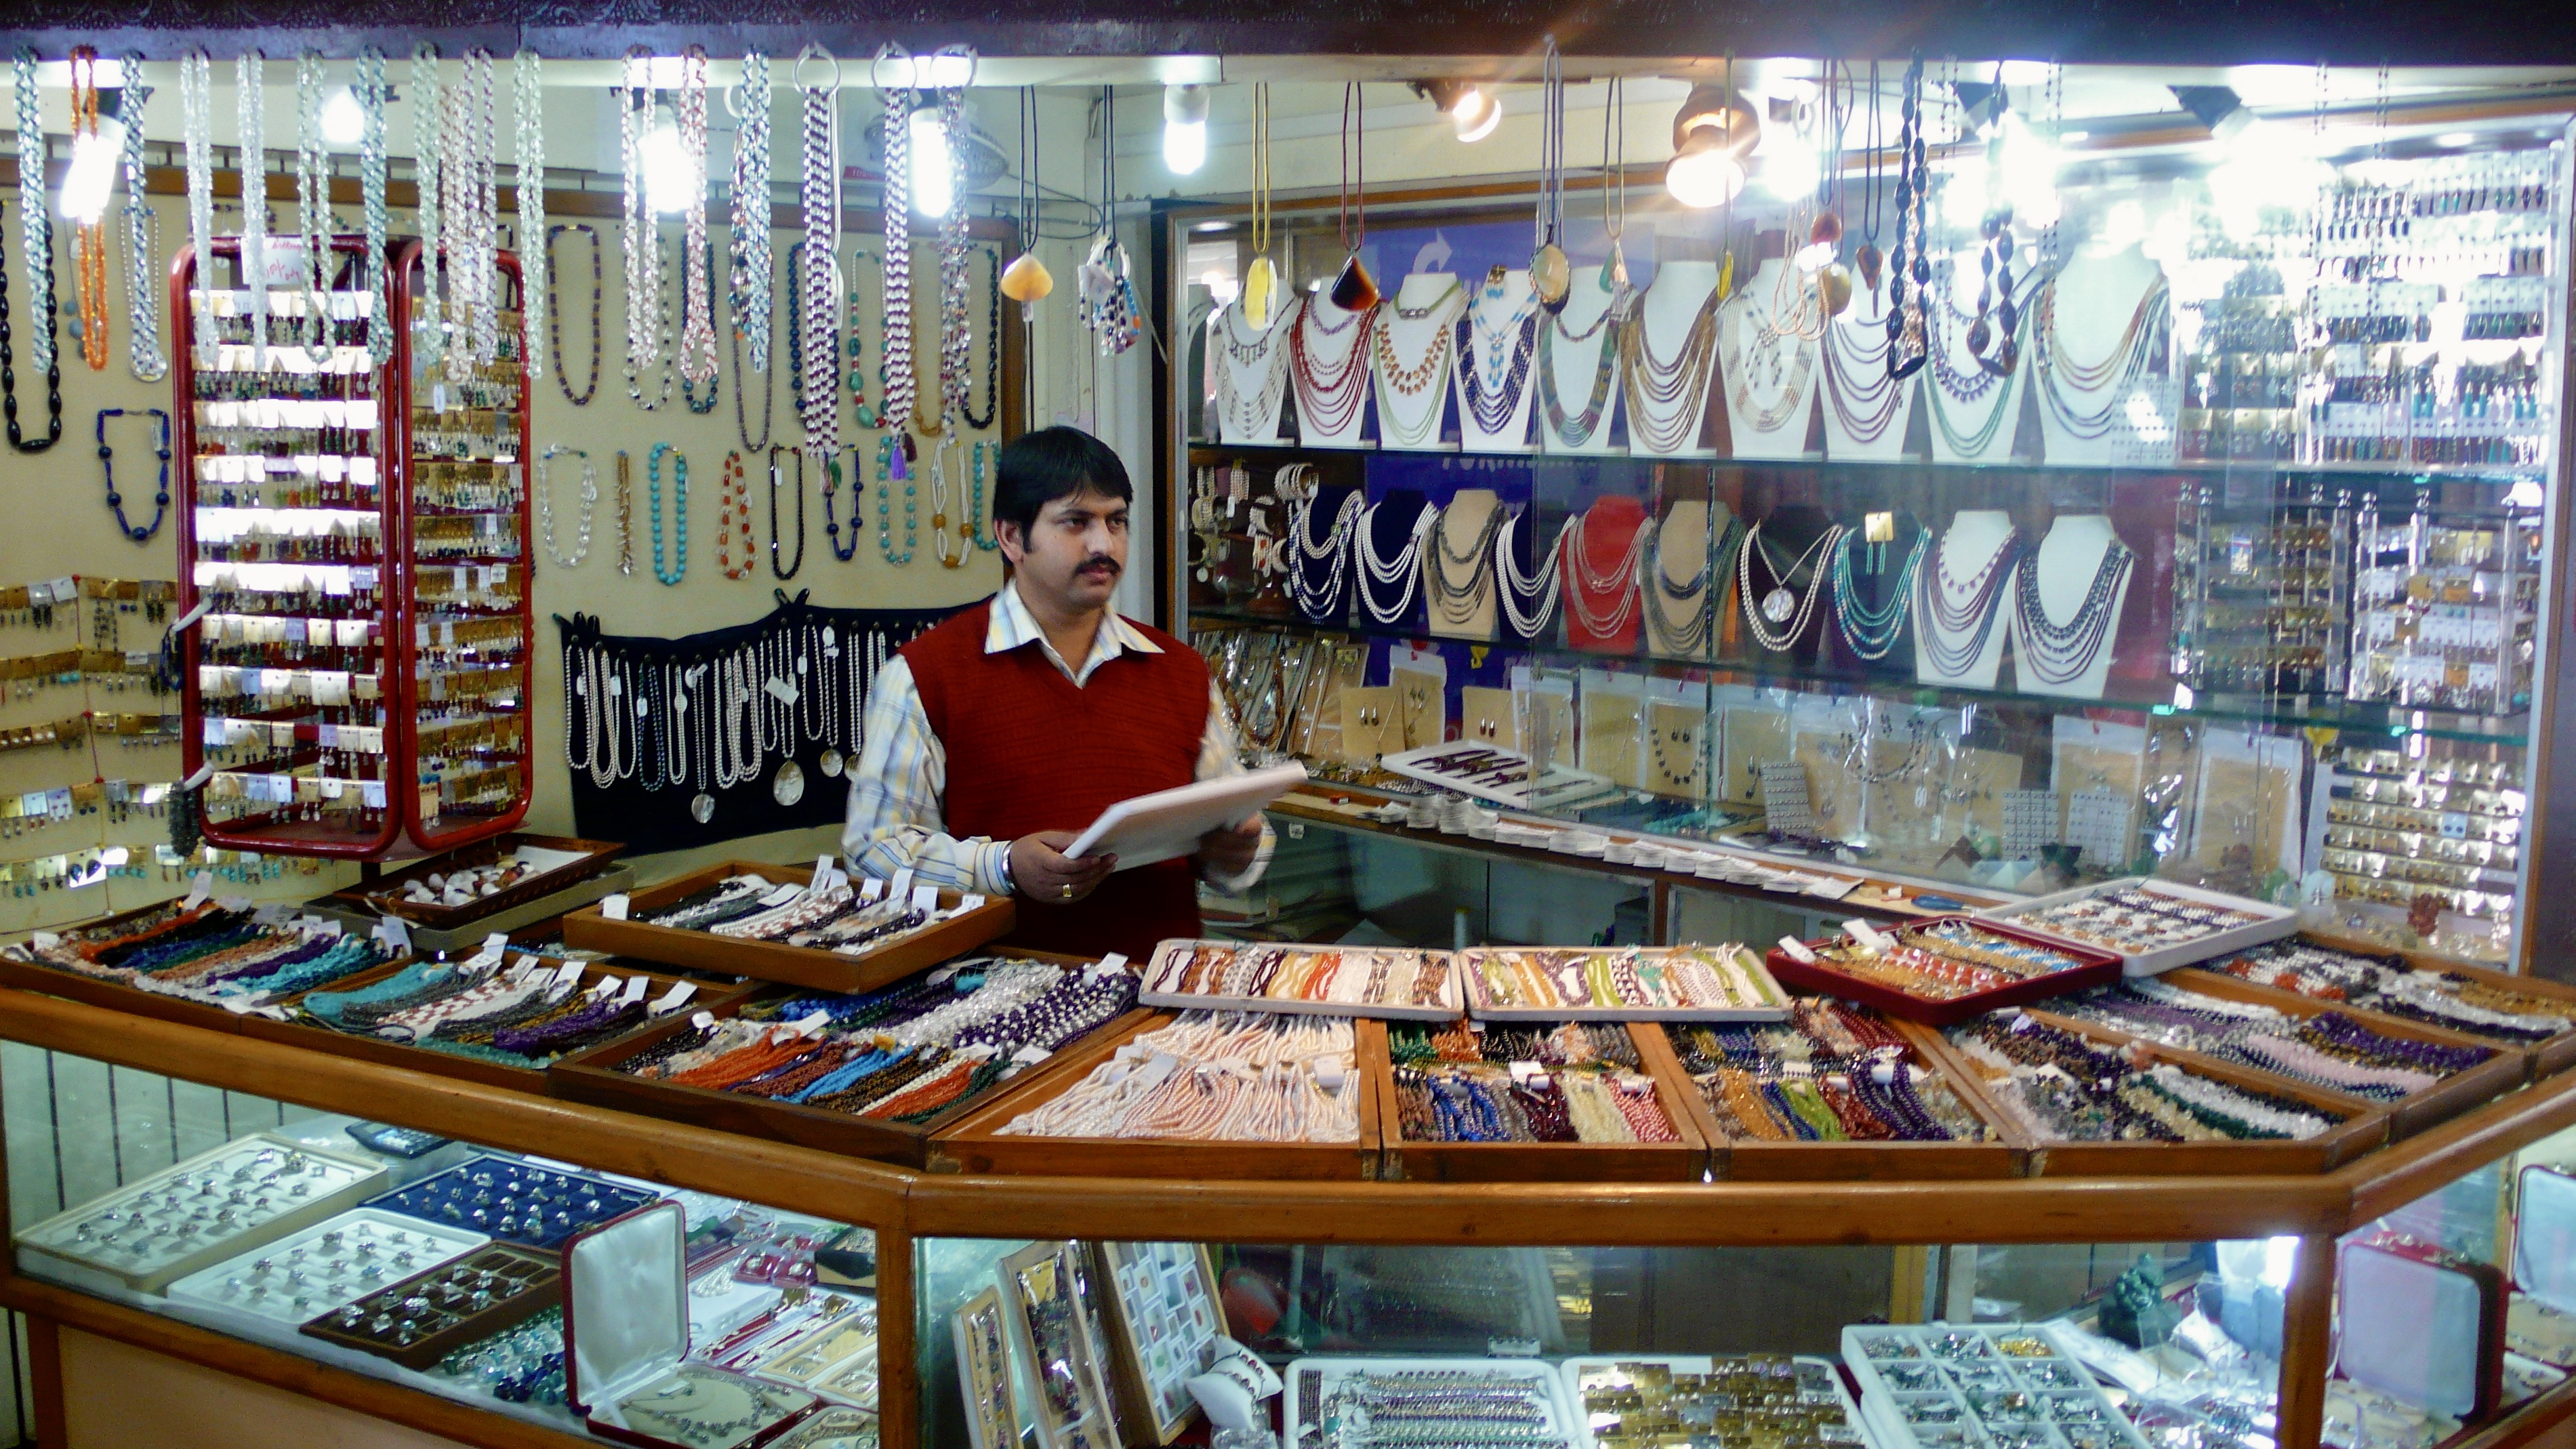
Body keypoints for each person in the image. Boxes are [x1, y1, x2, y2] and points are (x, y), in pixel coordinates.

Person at [841, 426, 1271, 961]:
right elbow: (873, 849)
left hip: (1160, 986)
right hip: (991, 993)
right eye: (1075, 522)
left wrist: (1236, 850)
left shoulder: (1179, 671)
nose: (1103, 545)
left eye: (1116, 521)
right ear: (1011, 538)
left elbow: (1234, 826)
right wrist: (1002, 867)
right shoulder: (924, 675)